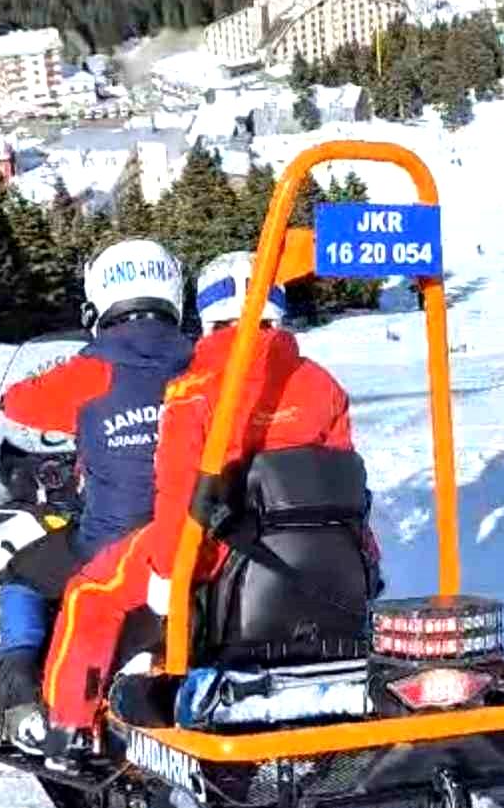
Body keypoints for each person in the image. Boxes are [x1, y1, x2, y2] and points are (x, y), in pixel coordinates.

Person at [42, 249, 366, 744]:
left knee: (89, 594)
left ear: (206, 316)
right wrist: (367, 555)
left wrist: (168, 572)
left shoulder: (196, 386)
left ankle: (68, 726)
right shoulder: (322, 384)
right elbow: (345, 478)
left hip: (224, 548)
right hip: (326, 552)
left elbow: (178, 492)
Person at [0, 238, 192, 751]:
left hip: (114, 545)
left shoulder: (91, 369)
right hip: (194, 545)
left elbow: (24, 404)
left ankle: (18, 687)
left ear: (101, 296)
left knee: (23, 570)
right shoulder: (201, 362)